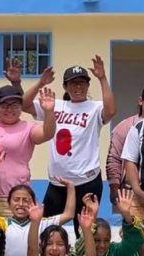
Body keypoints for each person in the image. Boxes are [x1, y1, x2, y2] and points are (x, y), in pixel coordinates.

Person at [25, 58, 115, 237]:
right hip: (57, 183)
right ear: (65, 87)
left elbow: (111, 111)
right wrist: (40, 83)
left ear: (88, 85)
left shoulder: (95, 107)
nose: (78, 87)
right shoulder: (55, 105)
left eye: (82, 83)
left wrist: (103, 78)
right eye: (73, 83)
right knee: (46, 231)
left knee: (84, 233)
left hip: (86, 181)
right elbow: (24, 105)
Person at [0, 85, 56, 217]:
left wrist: (49, 112)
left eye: (15, 105)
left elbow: (47, 134)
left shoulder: (28, 128)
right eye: (4, 105)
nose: (9, 110)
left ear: (21, 107)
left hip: (15, 198)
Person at [107, 84, 144, 204]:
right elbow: (114, 158)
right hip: (131, 192)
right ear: (141, 101)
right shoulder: (125, 127)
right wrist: (114, 186)